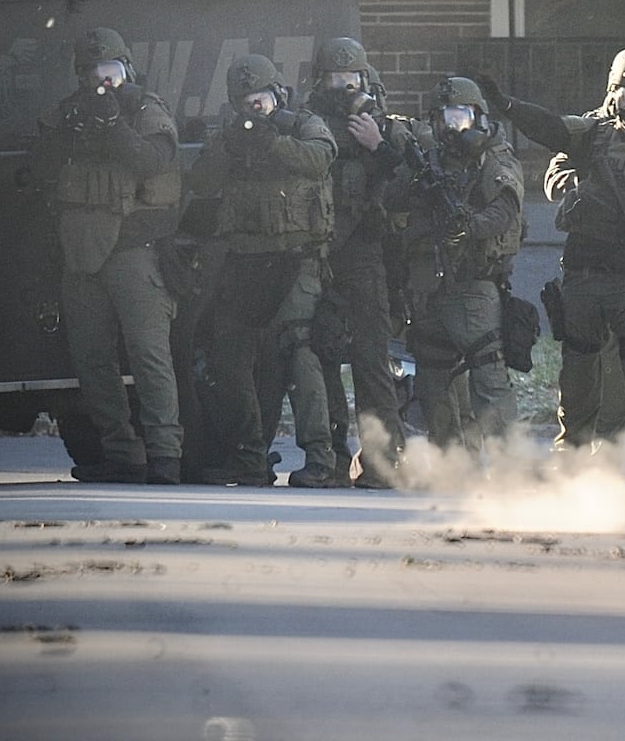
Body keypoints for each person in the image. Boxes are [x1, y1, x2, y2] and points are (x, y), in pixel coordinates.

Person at [479, 44, 625, 455]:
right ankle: (572, 452)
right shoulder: (593, 132)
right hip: (587, 270)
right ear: (613, 93)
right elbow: (552, 129)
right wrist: (509, 106)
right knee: (578, 369)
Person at [31, 27, 184, 484]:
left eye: (112, 73)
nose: (104, 83)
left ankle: (164, 456)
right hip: (81, 256)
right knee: (92, 360)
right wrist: (79, 124)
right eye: (95, 75)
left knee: (148, 356)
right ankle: (120, 453)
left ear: (127, 71)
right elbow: (39, 166)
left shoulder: (144, 109)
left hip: (134, 252)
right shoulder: (68, 115)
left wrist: (112, 124)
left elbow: (153, 162)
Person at [183, 54, 341, 487]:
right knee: (228, 358)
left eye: (262, 102)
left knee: (299, 352)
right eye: (246, 104)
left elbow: (321, 159)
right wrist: (233, 145)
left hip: (296, 258)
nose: (254, 111)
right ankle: (250, 456)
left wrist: (273, 142)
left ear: (278, 97)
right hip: (246, 262)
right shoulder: (231, 139)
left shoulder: (303, 125)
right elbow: (201, 182)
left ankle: (321, 460)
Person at [303, 36, 421, 488]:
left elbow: (412, 182)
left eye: (351, 79)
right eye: (335, 79)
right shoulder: (309, 126)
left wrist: (378, 146)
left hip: (366, 255)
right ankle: (332, 458)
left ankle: (383, 462)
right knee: (320, 357)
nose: (344, 87)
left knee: (372, 362)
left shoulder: (387, 128)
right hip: (317, 253)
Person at [385, 77, 523, 458]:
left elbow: (506, 209)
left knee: (488, 374)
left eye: (460, 117)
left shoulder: (494, 156)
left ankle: (510, 465)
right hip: (427, 287)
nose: (452, 127)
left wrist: (468, 226)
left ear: (478, 117)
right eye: (444, 119)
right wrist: (417, 184)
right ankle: (452, 463)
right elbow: (392, 197)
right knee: (431, 380)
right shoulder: (428, 160)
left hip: (472, 285)